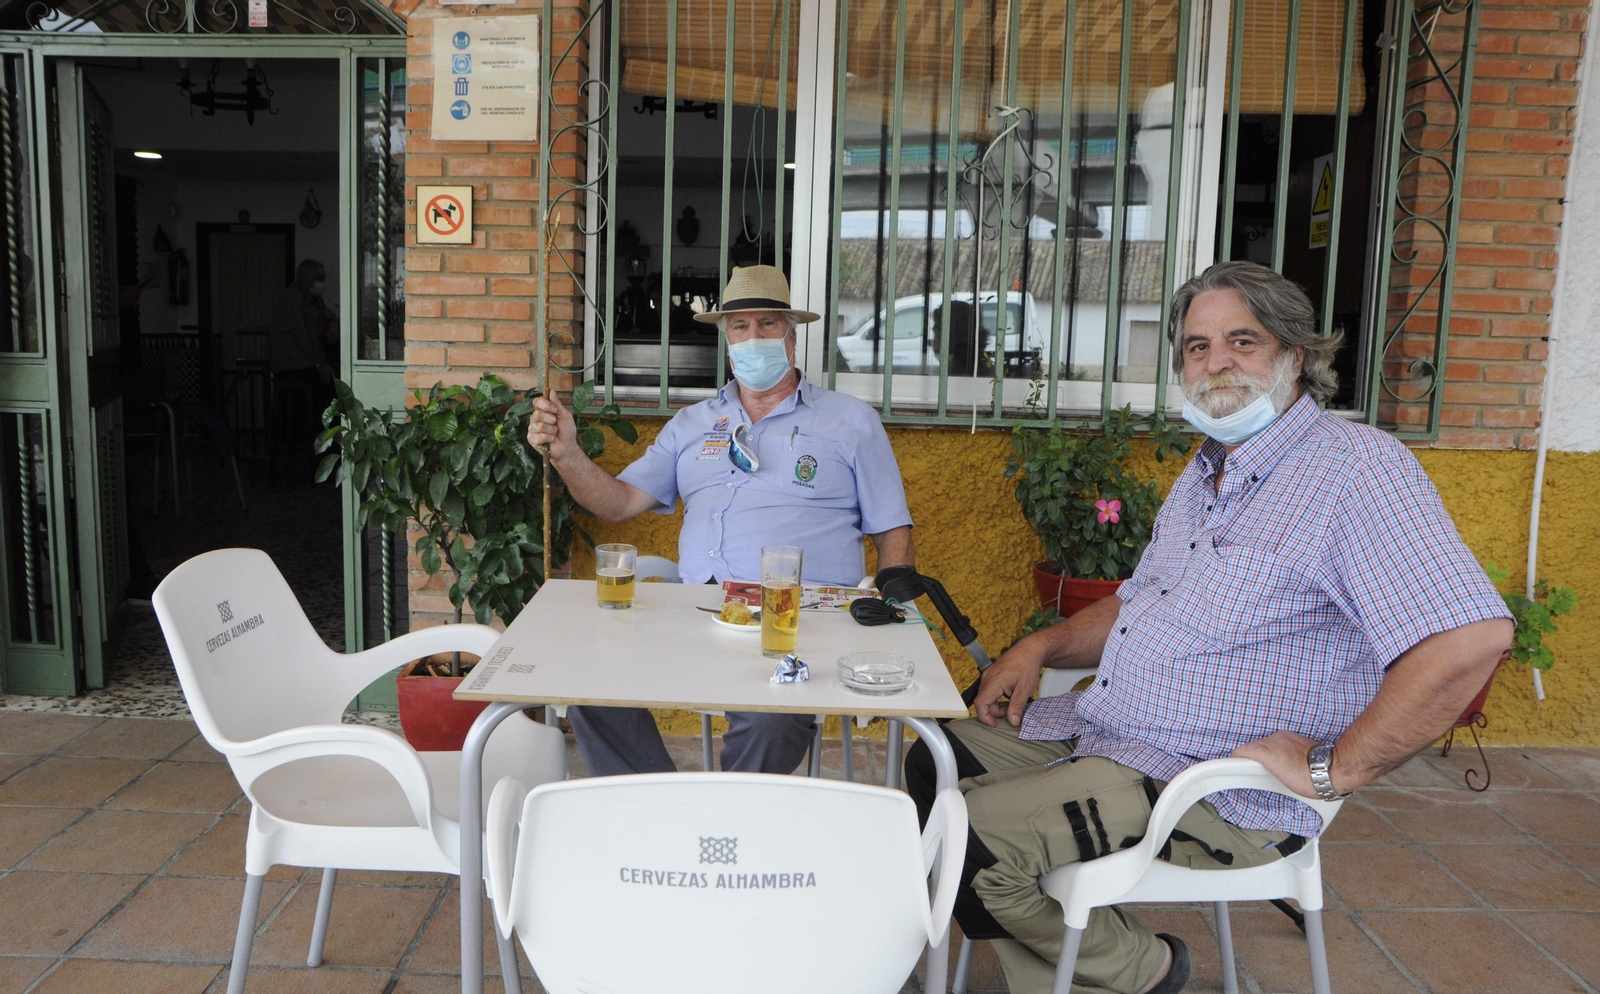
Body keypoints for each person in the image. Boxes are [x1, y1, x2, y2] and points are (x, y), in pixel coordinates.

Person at [905, 261, 1513, 994]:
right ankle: (1065, 963)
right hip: (1115, 731)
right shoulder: (1207, 471)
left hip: (1208, 783)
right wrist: (1040, 646)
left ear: (1296, 355)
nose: (1216, 360)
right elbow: (1140, 597)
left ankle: (1141, 968)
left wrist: (1336, 770)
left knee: (974, 841)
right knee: (934, 762)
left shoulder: (1356, 470)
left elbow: (1470, 638)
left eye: (1242, 340)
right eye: (1197, 346)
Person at [526, 265, 915, 776]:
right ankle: (663, 810)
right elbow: (618, 503)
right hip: (700, 612)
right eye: (739, 327)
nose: (753, 337)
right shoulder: (690, 424)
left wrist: (885, 609)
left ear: (792, 339)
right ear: (726, 341)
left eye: (767, 325)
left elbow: (894, 530)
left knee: (770, 721)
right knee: (592, 691)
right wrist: (568, 454)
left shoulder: (850, 421)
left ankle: (730, 826)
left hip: (797, 621)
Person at [268, 259, 338, 465]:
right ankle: (317, 452)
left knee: (335, 386)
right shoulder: (292, 298)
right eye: (319, 278)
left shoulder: (315, 301)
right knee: (327, 388)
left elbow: (330, 316)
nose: (323, 282)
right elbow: (302, 336)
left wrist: (333, 324)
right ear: (303, 278)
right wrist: (319, 364)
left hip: (308, 365)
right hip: (291, 367)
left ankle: (327, 448)